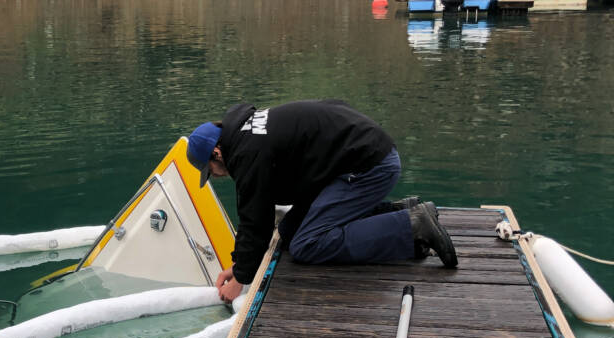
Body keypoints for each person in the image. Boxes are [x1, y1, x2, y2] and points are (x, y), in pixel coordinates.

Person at [186, 100, 457, 303]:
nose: (219, 177)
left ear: (217, 153)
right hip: (356, 159)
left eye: (213, 172)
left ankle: (411, 227)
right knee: (291, 232)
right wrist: (238, 264)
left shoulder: (247, 154)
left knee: (308, 244)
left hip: (368, 166)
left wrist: (241, 280)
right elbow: (257, 215)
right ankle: (401, 211)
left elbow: (255, 221)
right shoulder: (247, 133)